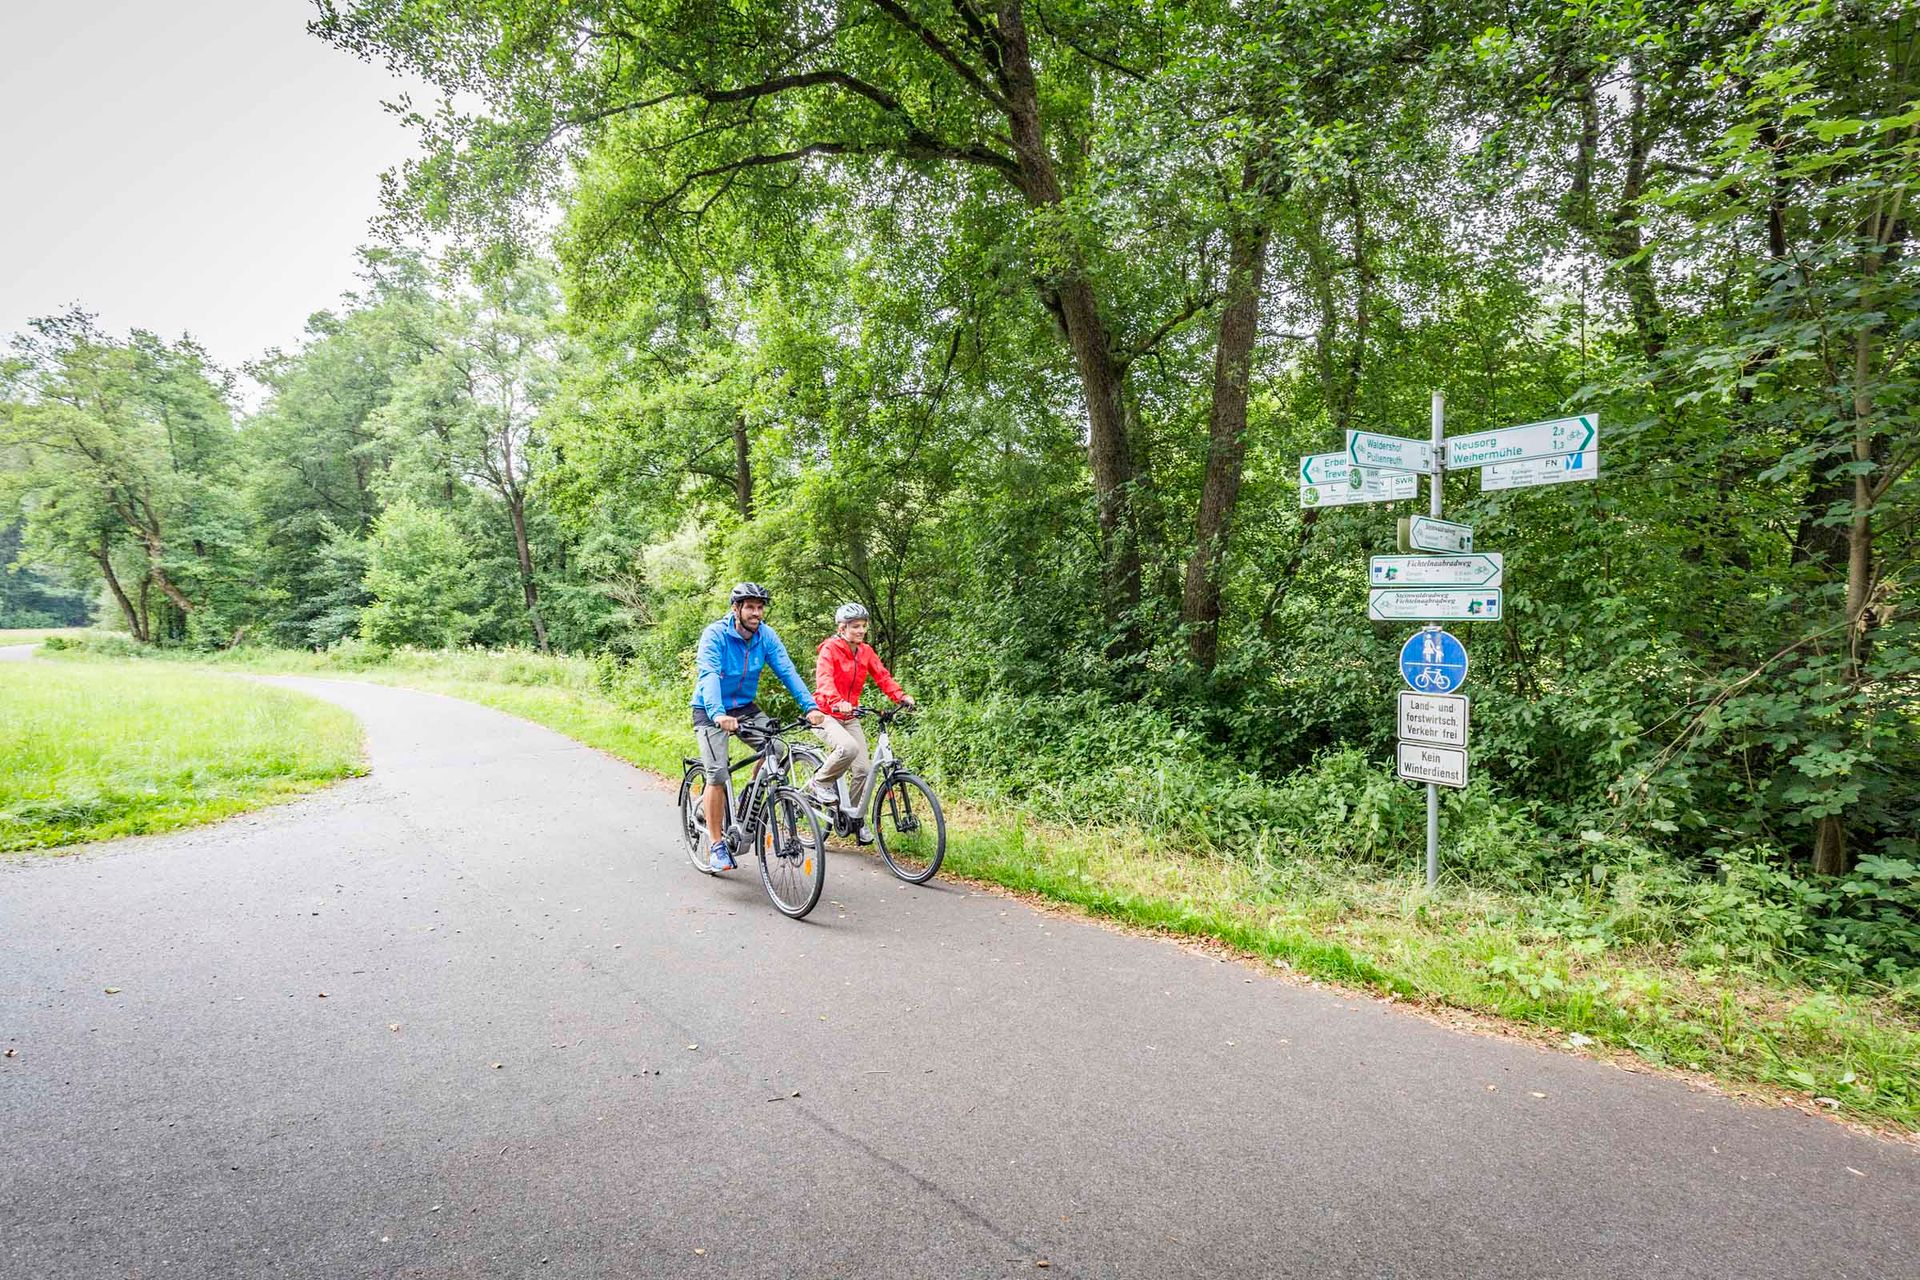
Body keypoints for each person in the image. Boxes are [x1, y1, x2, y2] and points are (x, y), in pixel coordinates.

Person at [691, 582, 827, 872]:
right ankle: (716, 845)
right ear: (736, 609)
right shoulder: (715, 635)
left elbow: (787, 670)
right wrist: (718, 714)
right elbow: (710, 675)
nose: (756, 612)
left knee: (776, 746)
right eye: (750, 607)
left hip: (744, 707)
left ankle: (746, 796)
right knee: (717, 773)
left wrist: (810, 706)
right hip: (710, 708)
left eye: (760, 607)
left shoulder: (765, 636)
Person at [808, 602, 915, 843]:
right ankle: (819, 782)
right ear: (842, 628)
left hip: (850, 715)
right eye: (855, 626)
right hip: (825, 713)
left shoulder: (865, 651)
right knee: (848, 748)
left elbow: (882, 676)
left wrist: (901, 696)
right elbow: (824, 680)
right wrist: (836, 701)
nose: (860, 631)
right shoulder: (830, 649)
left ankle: (853, 817)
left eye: (863, 626)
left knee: (864, 770)